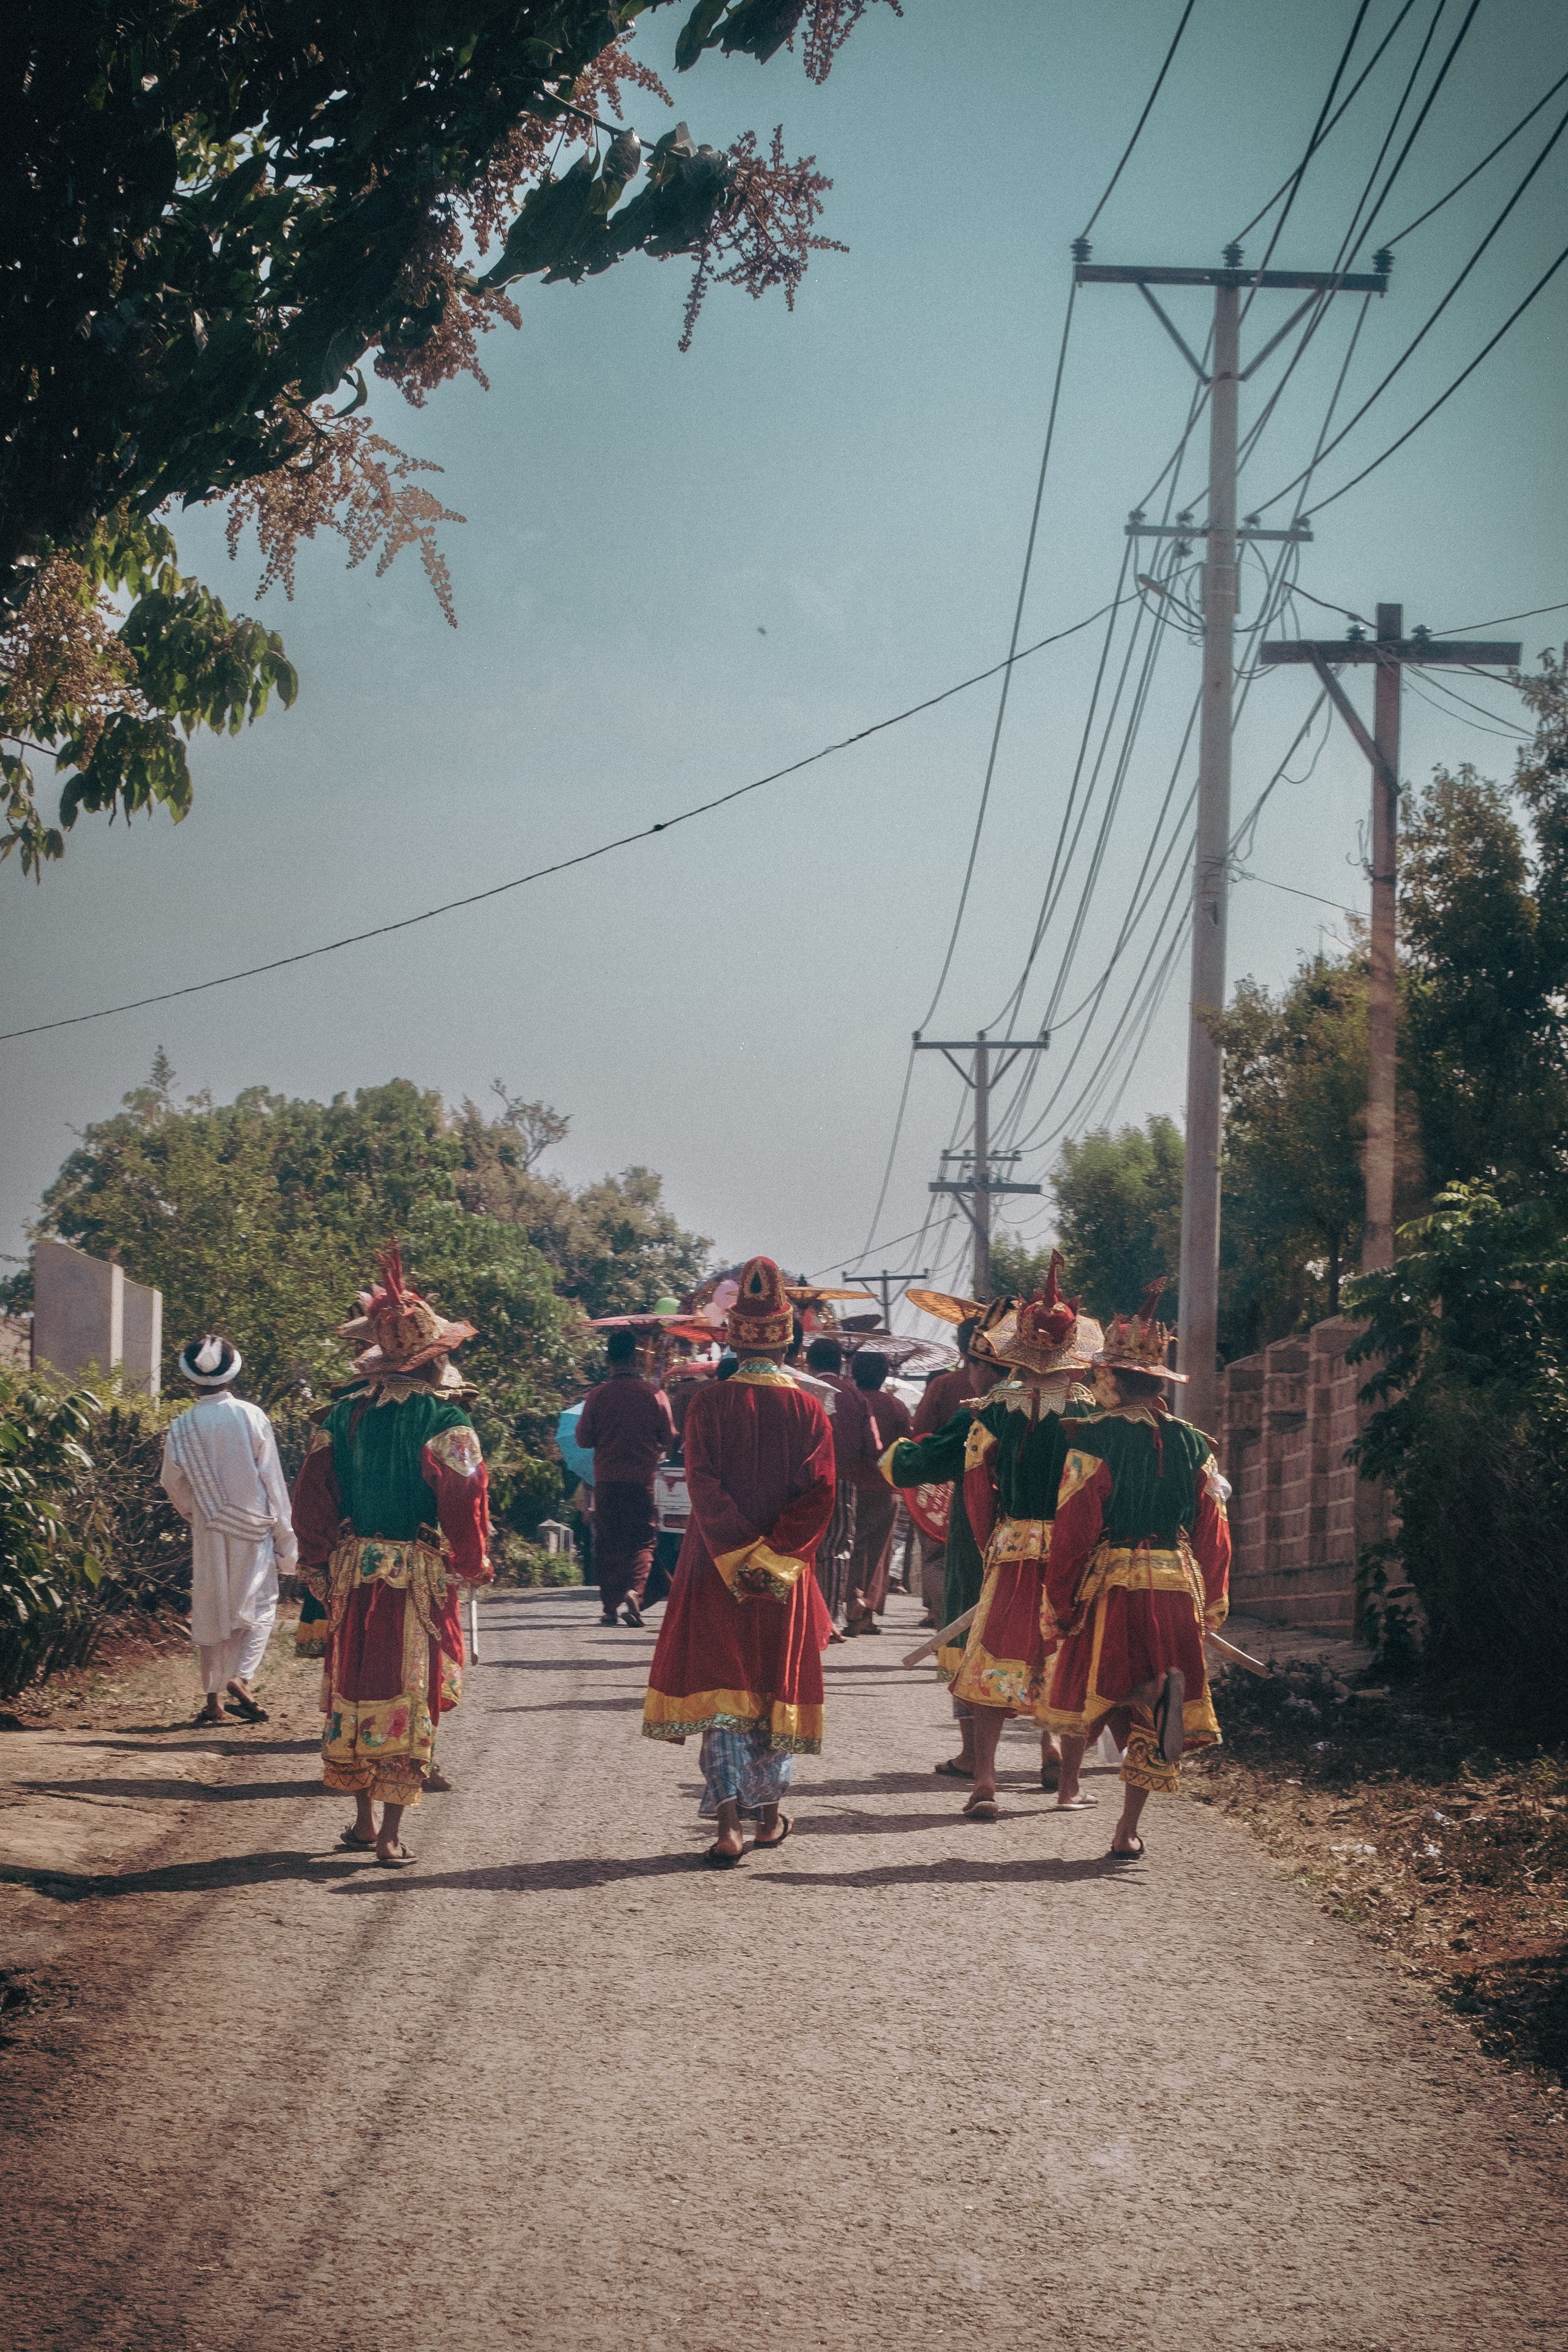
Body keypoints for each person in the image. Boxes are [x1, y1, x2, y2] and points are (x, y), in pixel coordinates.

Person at [292, 1246, 492, 1868]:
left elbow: (312, 1496)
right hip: (416, 1573)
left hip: (353, 1572)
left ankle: (361, 1821)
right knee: (411, 1690)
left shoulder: (340, 1419)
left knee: (356, 1684)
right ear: (434, 1361)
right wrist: (472, 1560)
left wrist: (317, 1563)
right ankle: (391, 1835)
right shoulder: (448, 1422)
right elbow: (465, 1499)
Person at [643, 1256, 837, 1868]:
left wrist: (736, 1554)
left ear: (731, 1338)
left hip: (713, 1568)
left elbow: (701, 1486)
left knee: (721, 1693)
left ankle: (728, 1824)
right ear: (788, 1342)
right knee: (772, 1688)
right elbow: (820, 1496)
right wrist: (774, 1557)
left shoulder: (706, 1406)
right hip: (784, 1575)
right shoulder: (809, 1411)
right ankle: (770, 1818)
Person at [1038, 1281, 1231, 1860]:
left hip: (1114, 1583)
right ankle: (1126, 1829)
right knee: (1150, 1714)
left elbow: (1074, 1528)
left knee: (1091, 1684)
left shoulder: (1091, 1438)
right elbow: (1213, 1529)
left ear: (1115, 1380)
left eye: (1100, 1375)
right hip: (1175, 1585)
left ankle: (1086, 1763)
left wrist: (1061, 1600)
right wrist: (1213, 1601)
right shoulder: (1195, 1445)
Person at [934, 1258, 1102, 1821]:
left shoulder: (993, 1411)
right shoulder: (1091, 1416)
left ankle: (984, 1779)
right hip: (1072, 1557)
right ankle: (1065, 1780)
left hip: (1012, 1549)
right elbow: (1091, 1493)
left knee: (994, 1657)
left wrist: (992, 1545)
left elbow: (977, 1487)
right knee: (1067, 1661)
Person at [877, 1306, 999, 1776]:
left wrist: (894, 1457)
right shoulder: (1070, 1405)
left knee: (969, 1633)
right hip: (1053, 1540)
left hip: (980, 1532)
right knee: (1042, 1639)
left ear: (981, 1362)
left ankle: (974, 1758)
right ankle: (1051, 1753)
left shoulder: (981, 1412)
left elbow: (922, 1448)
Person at [160, 1335, 296, 1725]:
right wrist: (286, 1536)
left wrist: (194, 1512)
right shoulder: (251, 1415)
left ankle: (213, 1703)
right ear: (231, 1374)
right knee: (260, 1603)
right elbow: (272, 1479)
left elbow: (172, 1481)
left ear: (191, 1380)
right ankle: (241, 1676)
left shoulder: (181, 1426)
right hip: (253, 1526)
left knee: (211, 1605)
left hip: (208, 1525)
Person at [575, 1327, 675, 1628]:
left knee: (608, 1543)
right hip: (642, 1482)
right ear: (635, 1357)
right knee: (642, 1542)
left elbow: (583, 1439)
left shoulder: (597, 1396)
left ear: (608, 1360)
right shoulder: (654, 1394)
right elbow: (669, 1437)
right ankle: (636, 1594)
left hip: (606, 1481)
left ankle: (609, 1609)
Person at [842, 1351, 912, 1635]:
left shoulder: (844, 1399)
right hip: (884, 1486)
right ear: (884, 1376)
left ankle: (847, 1605)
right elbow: (904, 1446)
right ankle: (865, 1613)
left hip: (847, 1484)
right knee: (877, 1551)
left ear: (854, 1372)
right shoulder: (897, 1406)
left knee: (849, 1547)